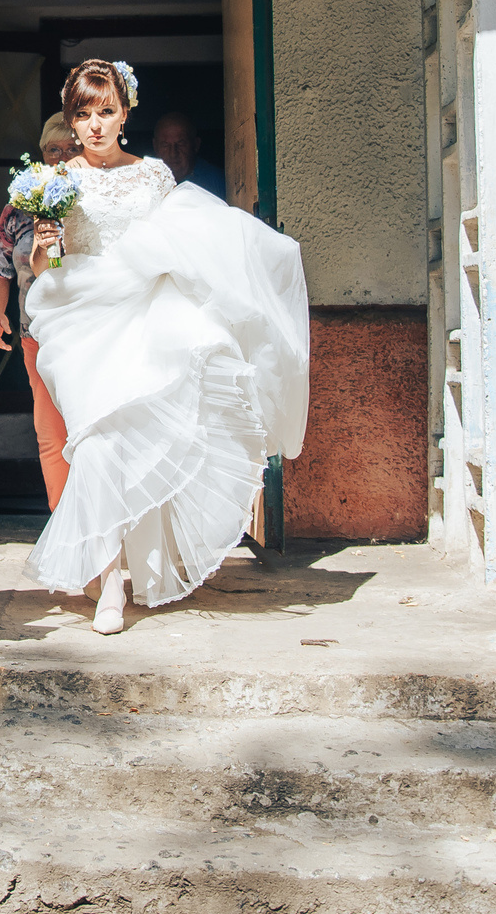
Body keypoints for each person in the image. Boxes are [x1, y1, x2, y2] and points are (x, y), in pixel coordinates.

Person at [24, 59, 309, 633]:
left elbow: (187, 241)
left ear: (125, 114)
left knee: (140, 440)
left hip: (147, 318)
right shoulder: (56, 180)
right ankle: (108, 581)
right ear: (71, 121)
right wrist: (44, 244)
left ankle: (126, 574)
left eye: (106, 112)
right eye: (84, 114)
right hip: (79, 324)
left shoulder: (155, 175)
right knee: (95, 442)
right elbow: (42, 265)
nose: (95, 126)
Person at [0, 113, 76, 510]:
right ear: (42, 154)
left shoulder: (93, 201)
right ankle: (63, 519)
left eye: (73, 149)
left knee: (88, 427)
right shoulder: (19, 209)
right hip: (35, 333)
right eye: (55, 150)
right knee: (49, 429)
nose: (63, 158)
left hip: (89, 330)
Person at [149, 109, 227, 203]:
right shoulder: (144, 181)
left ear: (196, 145)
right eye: (165, 145)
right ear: (155, 146)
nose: (173, 153)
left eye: (181, 143)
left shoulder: (218, 182)